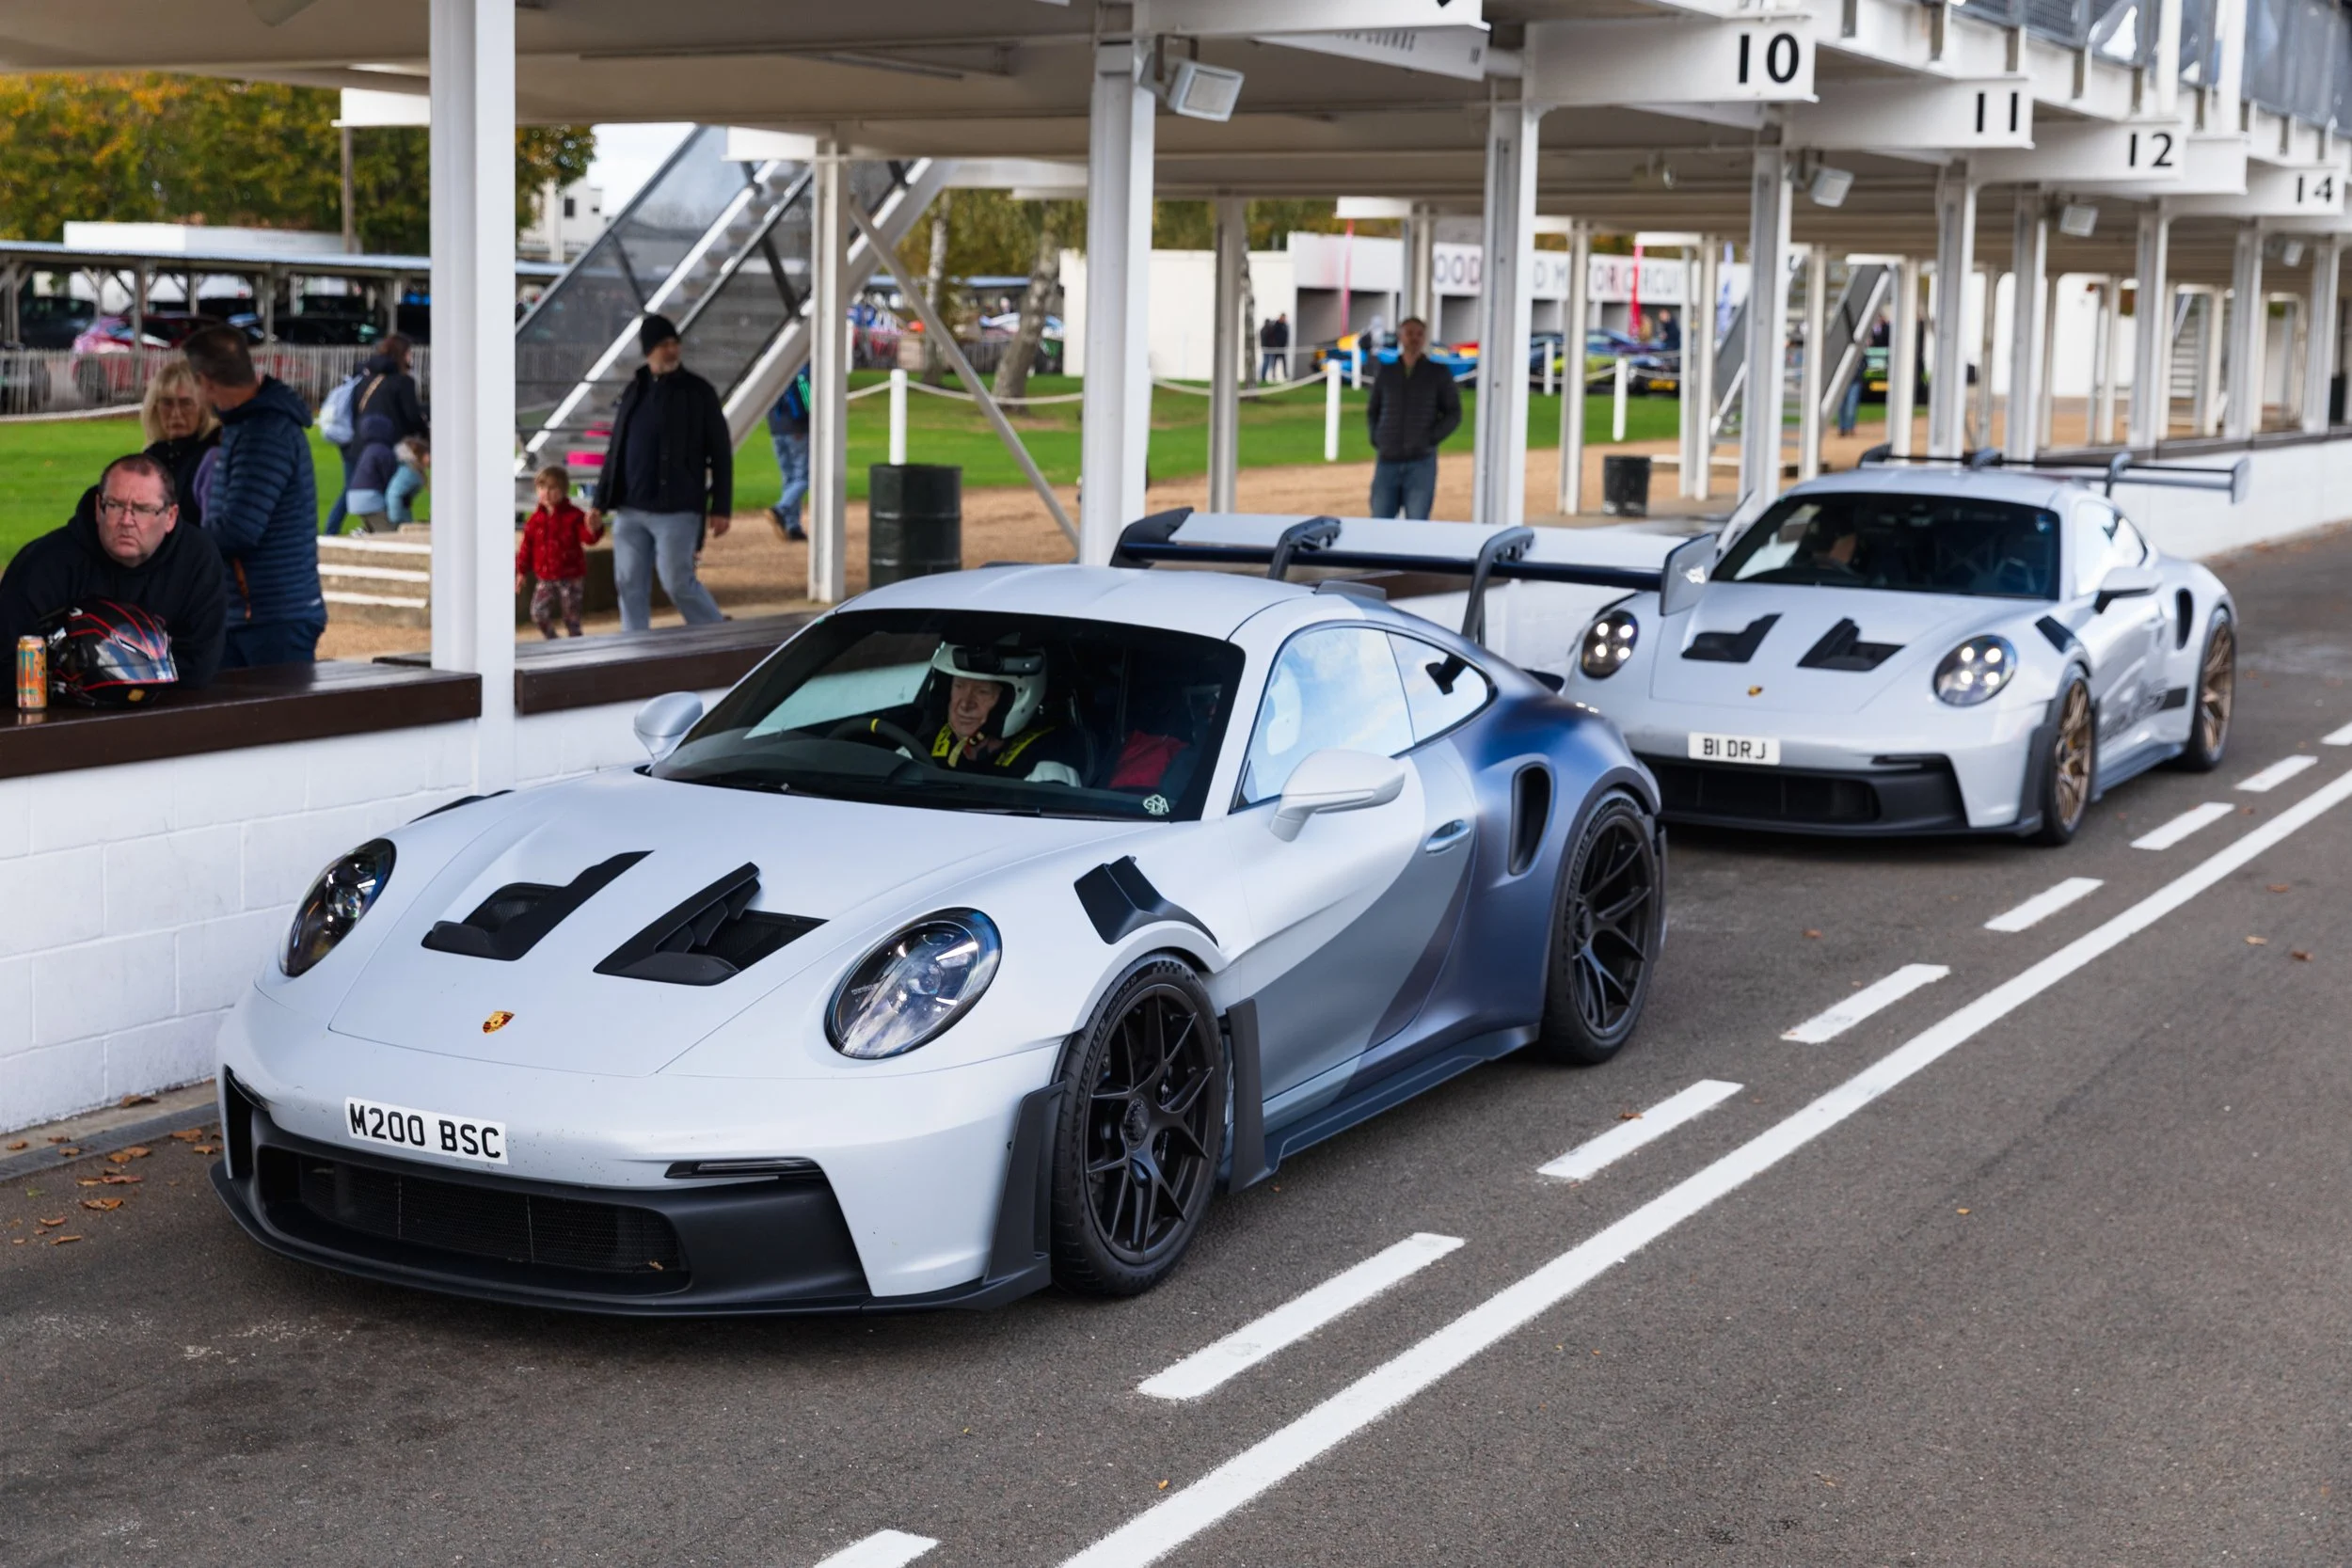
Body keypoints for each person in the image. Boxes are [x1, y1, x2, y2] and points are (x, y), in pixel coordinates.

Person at [0, 452, 226, 687]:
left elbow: (199, 664)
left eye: (142, 509)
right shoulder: (43, 565)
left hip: (168, 710)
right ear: (99, 508)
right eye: (116, 505)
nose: (127, 520)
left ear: (170, 517)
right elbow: (9, 663)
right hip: (63, 713)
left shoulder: (197, 559)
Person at [183, 324, 326, 667]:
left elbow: (239, 530)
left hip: (272, 617)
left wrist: (173, 544)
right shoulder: (248, 424)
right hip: (260, 614)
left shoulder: (264, 432)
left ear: (204, 381)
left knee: (274, 720)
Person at [587, 312, 731, 631]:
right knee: (628, 583)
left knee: (678, 582)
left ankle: (717, 636)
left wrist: (721, 506)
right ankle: (634, 649)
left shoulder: (699, 392)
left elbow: (721, 452)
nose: (672, 350)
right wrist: (599, 501)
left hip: (678, 509)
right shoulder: (634, 390)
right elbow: (616, 449)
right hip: (630, 509)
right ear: (649, 349)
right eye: (664, 344)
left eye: (674, 343)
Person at [325, 335, 428, 534]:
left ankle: (332, 532)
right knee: (393, 492)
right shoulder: (402, 382)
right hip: (387, 448)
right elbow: (411, 417)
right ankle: (391, 529)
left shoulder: (364, 380)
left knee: (352, 489)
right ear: (402, 354)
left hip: (356, 446)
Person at [1364, 315, 1462, 521]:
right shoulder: (1387, 372)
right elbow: (1373, 409)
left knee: (1417, 524)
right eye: (1409, 333)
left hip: (1421, 462)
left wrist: (1431, 438)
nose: (1414, 338)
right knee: (1380, 522)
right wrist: (1377, 436)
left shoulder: (1438, 373)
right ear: (1400, 337)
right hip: (1387, 460)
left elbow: (1454, 412)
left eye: (1419, 334)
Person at [516, 463, 600, 639]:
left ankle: (575, 647)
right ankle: (554, 641)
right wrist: (521, 571)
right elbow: (527, 548)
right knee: (538, 612)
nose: (546, 492)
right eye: (542, 487)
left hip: (571, 577)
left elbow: (588, 538)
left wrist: (593, 529)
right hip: (545, 577)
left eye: (553, 488)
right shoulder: (535, 521)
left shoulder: (574, 516)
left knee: (572, 618)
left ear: (563, 490)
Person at [140, 358, 221, 531]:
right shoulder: (150, 459)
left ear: (204, 408)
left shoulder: (213, 458)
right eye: (167, 403)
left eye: (186, 404)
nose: (176, 414)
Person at [767, 368, 810, 543]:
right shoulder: (802, 365)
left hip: (776, 428)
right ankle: (781, 509)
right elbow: (806, 393)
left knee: (789, 477)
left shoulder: (773, 368)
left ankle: (792, 525)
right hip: (797, 427)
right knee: (805, 476)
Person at [387, 436, 429, 524]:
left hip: (403, 515)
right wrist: (397, 520)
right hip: (399, 518)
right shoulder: (409, 472)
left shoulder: (412, 470)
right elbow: (394, 494)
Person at [1258, 312, 1291, 382]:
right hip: (1272, 348)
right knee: (1269, 362)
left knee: (1278, 362)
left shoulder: (1284, 326)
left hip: (1279, 347)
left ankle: (1283, 375)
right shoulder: (1274, 326)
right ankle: (1269, 376)